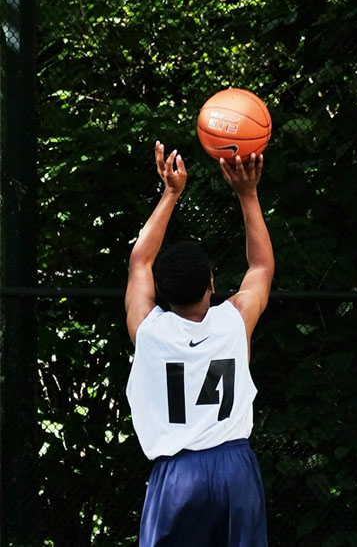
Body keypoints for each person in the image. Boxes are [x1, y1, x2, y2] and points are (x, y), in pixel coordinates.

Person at [125, 141, 274, 546]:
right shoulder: (234, 321)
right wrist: (248, 192)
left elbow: (140, 261)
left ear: (162, 292)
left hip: (178, 476)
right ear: (212, 284)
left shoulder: (148, 331)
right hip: (234, 468)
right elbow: (260, 266)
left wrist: (171, 193)